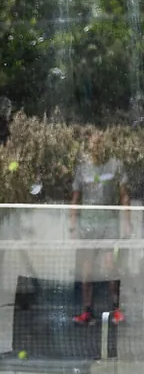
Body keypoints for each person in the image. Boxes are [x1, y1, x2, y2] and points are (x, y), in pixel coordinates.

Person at [70, 129, 129, 325]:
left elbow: (124, 196)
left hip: (109, 225)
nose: (97, 147)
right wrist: (73, 225)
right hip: (87, 227)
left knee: (110, 266)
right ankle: (87, 311)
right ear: (89, 146)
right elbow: (75, 198)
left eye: (100, 144)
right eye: (94, 144)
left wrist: (126, 221)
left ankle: (116, 309)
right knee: (87, 272)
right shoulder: (82, 168)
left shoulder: (116, 165)